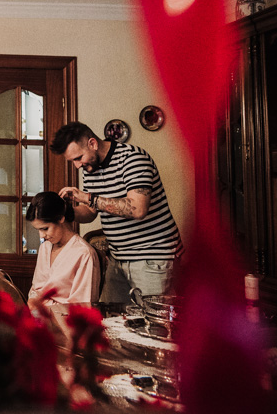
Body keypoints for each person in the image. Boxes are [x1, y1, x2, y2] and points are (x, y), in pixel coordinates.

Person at [50, 122, 183, 303]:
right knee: (112, 321)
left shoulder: (133, 159)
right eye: (72, 160)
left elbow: (137, 209)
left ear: (93, 144)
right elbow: (91, 212)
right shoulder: (91, 168)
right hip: (117, 258)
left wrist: (89, 198)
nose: (77, 166)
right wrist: (67, 212)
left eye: (78, 158)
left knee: (154, 324)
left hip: (153, 258)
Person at [27, 191, 101, 304]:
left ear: (61, 218)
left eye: (45, 228)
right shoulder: (45, 248)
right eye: (38, 230)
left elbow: (83, 304)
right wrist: (32, 301)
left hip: (65, 320)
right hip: (38, 316)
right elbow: (36, 289)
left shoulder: (84, 254)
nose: (41, 236)